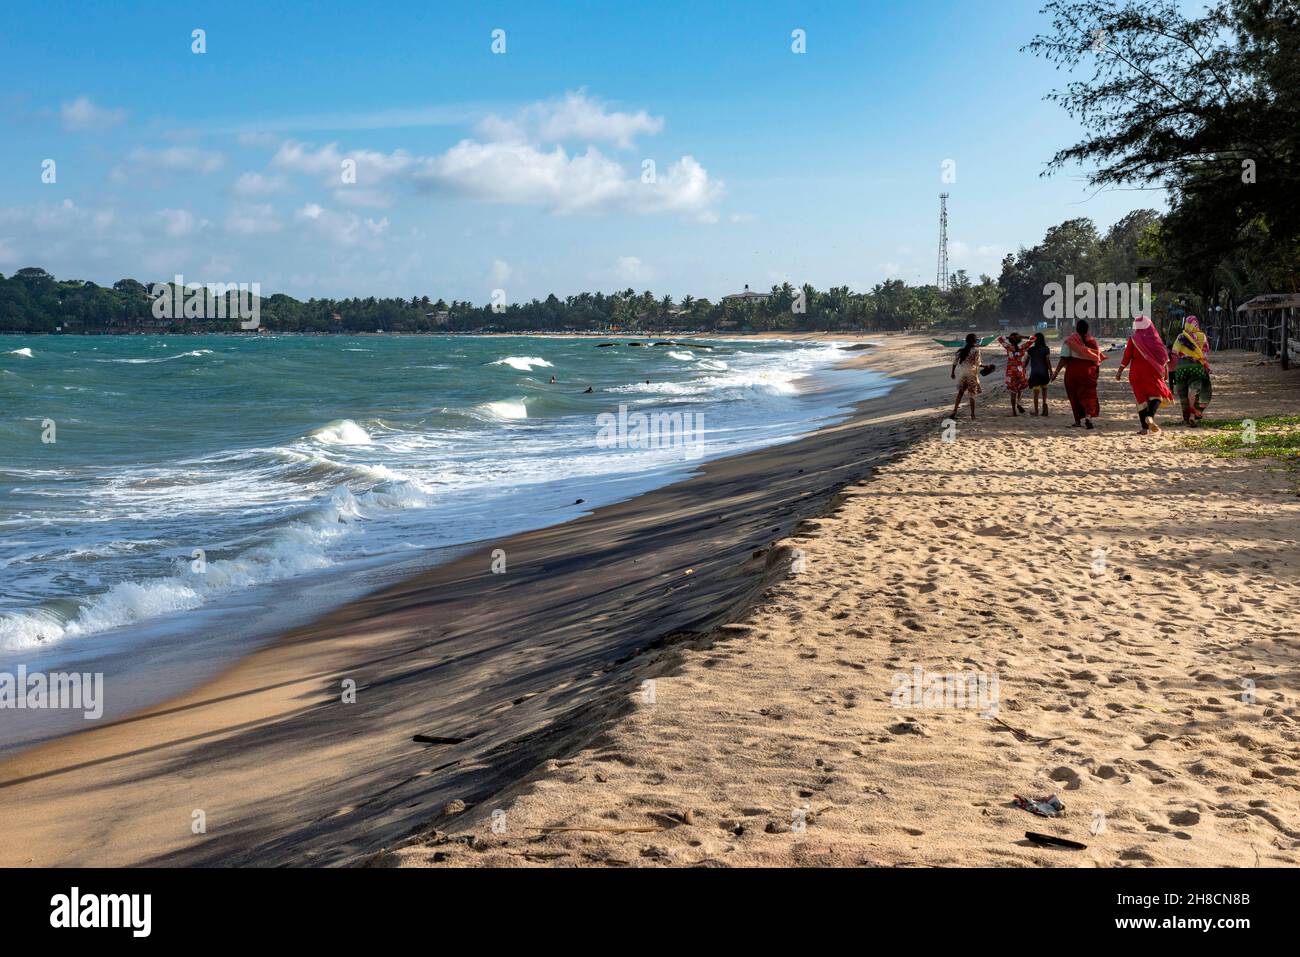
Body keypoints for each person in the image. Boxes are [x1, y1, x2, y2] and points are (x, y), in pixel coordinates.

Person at [1116, 315, 1174, 434]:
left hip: (1136, 373)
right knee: (1156, 396)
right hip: (1152, 372)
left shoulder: (1133, 339)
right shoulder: (1155, 339)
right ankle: (1150, 416)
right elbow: (1164, 358)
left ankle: (1144, 428)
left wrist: (1120, 371)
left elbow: (1127, 356)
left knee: (1140, 400)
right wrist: (1166, 371)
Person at [1051, 319, 1107, 429]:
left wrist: (1055, 373)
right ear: (1087, 329)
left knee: (1074, 396)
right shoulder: (1092, 341)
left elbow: (1063, 358)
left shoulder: (1070, 341)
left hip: (1072, 372)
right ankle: (1088, 416)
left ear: (1076, 328)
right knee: (1089, 395)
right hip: (1089, 372)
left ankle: (1077, 421)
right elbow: (1097, 359)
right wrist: (1096, 373)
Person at [1171, 315, 1212, 426]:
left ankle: (1186, 418)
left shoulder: (1181, 337)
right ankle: (1193, 415)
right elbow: (1205, 353)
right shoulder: (1202, 336)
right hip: (1197, 366)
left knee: (1183, 393)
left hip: (1181, 368)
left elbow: (1174, 352)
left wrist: (1174, 368)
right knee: (1196, 390)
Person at [996, 333, 1030, 415]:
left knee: (1013, 391)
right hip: (1020, 370)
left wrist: (1008, 337)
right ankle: (1018, 402)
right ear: (1019, 340)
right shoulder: (1023, 347)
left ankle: (1014, 411)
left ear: (1010, 340)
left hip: (1011, 371)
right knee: (1020, 389)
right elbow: (1034, 338)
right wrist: (1023, 336)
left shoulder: (1008, 347)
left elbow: (1000, 339)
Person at [949, 333, 982, 420]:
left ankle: (954, 411)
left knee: (960, 393)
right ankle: (972, 415)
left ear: (966, 341)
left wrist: (952, 373)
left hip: (963, 374)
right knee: (971, 395)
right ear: (975, 341)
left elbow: (955, 362)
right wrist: (986, 366)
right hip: (971, 374)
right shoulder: (976, 350)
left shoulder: (961, 350)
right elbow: (978, 363)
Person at [1025, 332, 1053, 416]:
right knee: (1044, 390)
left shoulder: (1031, 350)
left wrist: (1023, 368)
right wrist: (1051, 371)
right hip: (1044, 373)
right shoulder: (1046, 349)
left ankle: (1036, 411)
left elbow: (1027, 361)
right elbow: (1048, 361)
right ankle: (1044, 407)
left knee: (1036, 393)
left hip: (1035, 373)